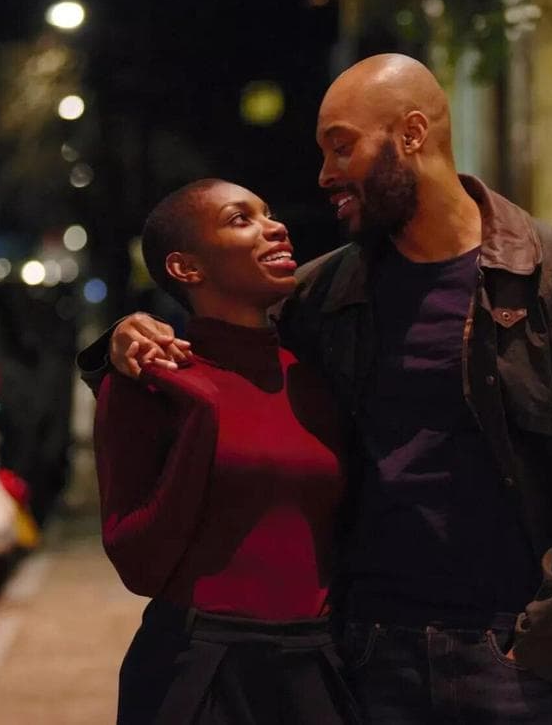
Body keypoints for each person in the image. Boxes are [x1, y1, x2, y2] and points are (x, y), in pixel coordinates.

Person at [82, 54, 552, 725]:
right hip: (364, 658)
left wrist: (546, 645)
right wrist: (126, 339)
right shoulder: (323, 293)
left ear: (411, 135)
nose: (326, 175)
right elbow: (221, 352)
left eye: (342, 146)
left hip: (518, 662)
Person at [93, 179, 356, 724]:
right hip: (199, 670)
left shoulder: (315, 376)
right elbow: (136, 560)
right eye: (241, 220)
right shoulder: (149, 382)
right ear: (187, 268)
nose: (275, 227)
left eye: (269, 213)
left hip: (315, 664)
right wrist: (201, 419)